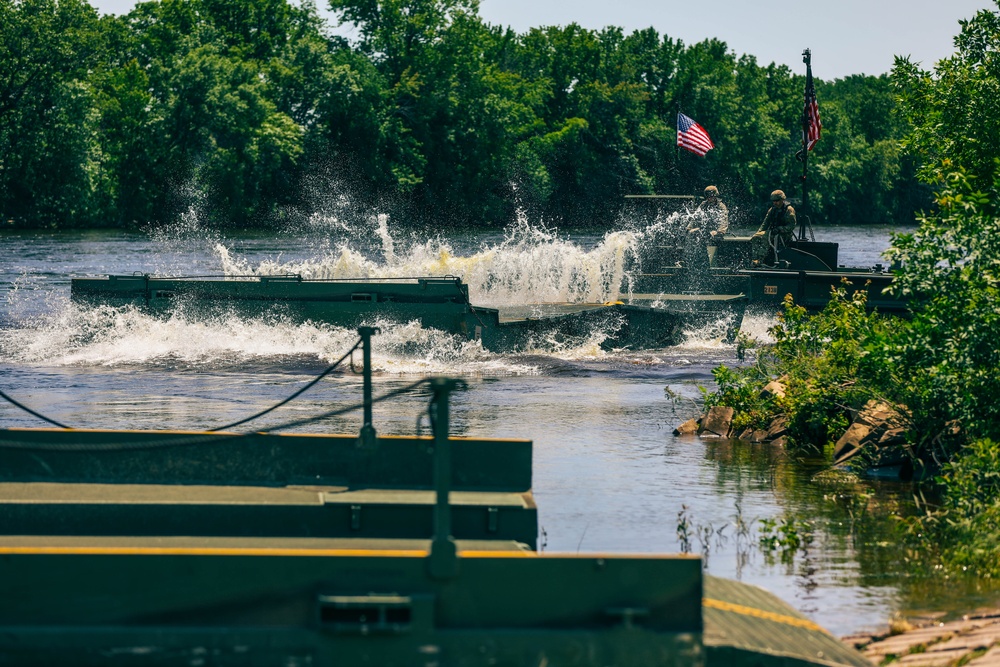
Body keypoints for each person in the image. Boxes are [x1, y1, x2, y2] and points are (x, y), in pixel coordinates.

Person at [686, 185, 729, 268]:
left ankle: (704, 263)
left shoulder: (721, 206)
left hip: (716, 231)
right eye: (708, 196)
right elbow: (695, 217)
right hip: (705, 229)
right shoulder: (703, 205)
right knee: (692, 234)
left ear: (715, 196)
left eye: (712, 196)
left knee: (705, 236)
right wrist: (689, 228)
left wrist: (719, 231)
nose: (710, 198)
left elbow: (724, 220)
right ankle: (691, 260)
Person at [753, 189, 797, 266]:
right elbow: (765, 223)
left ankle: (760, 259)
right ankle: (755, 258)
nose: (775, 203)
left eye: (777, 200)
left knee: (765, 237)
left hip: (785, 234)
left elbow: (791, 226)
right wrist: (758, 232)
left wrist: (780, 229)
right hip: (773, 231)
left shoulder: (789, 210)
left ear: (782, 200)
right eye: (773, 201)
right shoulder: (772, 210)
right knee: (756, 237)